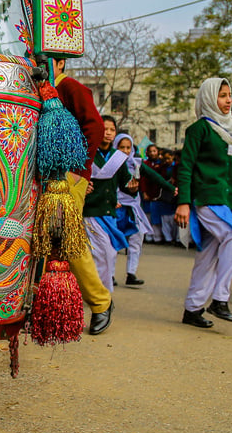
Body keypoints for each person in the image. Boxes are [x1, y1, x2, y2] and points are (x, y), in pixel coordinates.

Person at [175, 78, 232, 328]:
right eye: (222, 95)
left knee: (207, 255)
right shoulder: (199, 129)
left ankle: (192, 309)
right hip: (207, 198)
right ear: (209, 98)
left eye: (229, 95)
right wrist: (184, 202)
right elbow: (186, 167)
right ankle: (220, 298)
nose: (228, 100)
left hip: (227, 199)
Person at [51, 57, 114, 335]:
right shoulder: (39, 88)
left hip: (68, 177)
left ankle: (101, 302)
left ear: (61, 62)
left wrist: (78, 170)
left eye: (45, 59)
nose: (36, 63)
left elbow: (96, 127)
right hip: (45, 178)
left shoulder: (71, 88)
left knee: (69, 238)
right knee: (44, 240)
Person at [114, 133, 175, 286]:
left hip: (134, 207)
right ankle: (110, 275)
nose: (126, 151)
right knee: (113, 242)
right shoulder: (110, 164)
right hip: (116, 207)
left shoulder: (136, 164)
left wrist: (170, 188)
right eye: (122, 147)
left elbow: (155, 177)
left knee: (136, 240)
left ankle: (131, 273)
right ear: (116, 147)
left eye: (128, 147)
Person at [84, 116, 132, 297]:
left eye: (112, 130)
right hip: (91, 212)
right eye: (105, 129)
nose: (109, 132)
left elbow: (126, 183)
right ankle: (103, 297)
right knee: (103, 254)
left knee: (109, 254)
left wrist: (133, 186)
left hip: (110, 214)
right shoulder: (89, 154)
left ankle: (100, 294)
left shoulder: (117, 157)